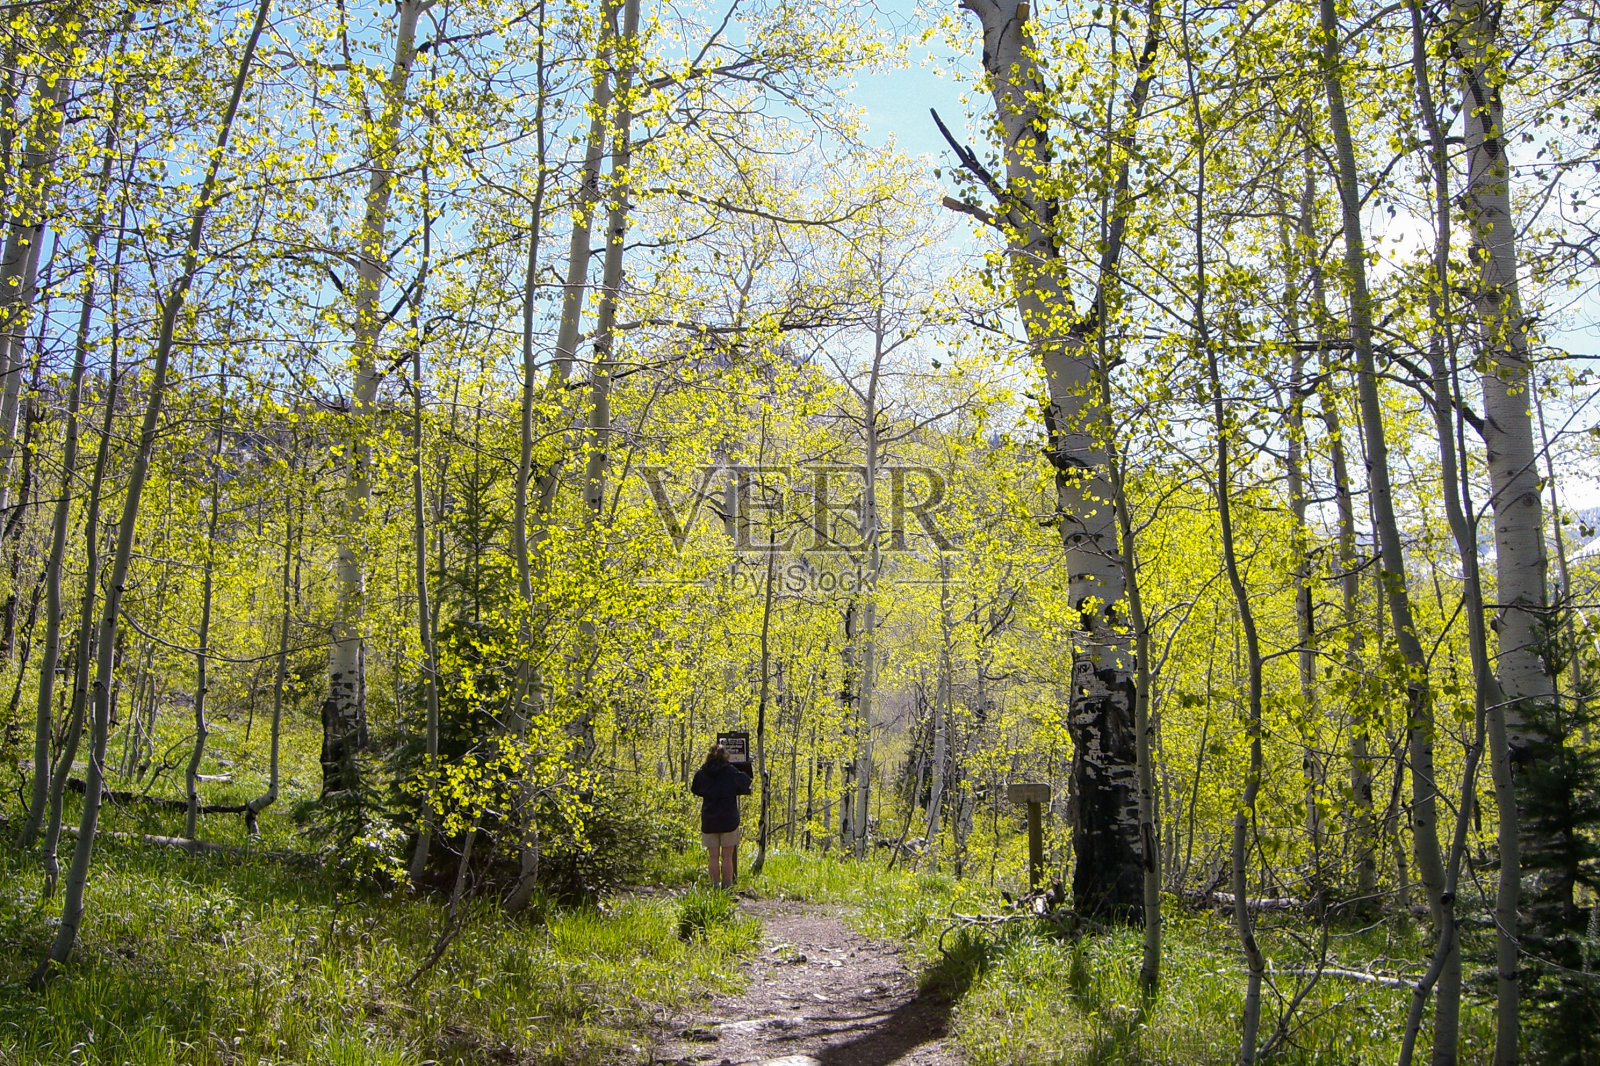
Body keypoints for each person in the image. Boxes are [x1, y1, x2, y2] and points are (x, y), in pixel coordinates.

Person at [690, 743, 752, 889]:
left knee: (713, 856)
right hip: (728, 820)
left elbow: (695, 789)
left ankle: (715, 886)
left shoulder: (702, 773)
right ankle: (727, 886)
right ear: (726, 756)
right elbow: (746, 783)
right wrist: (745, 767)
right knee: (727, 856)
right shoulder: (731, 772)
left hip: (709, 819)